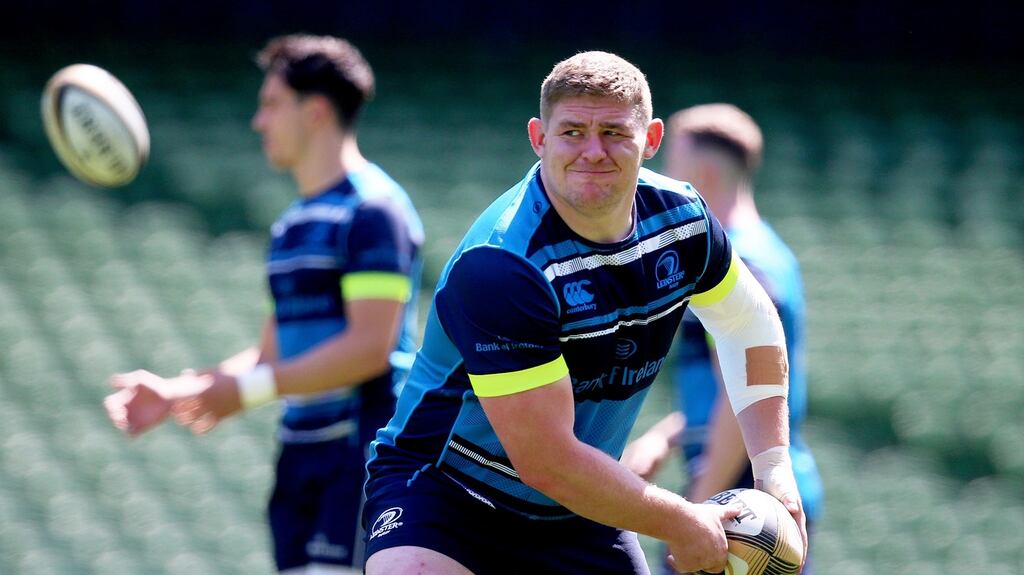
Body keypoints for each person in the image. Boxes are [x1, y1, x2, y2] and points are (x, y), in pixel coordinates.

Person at [361, 52, 806, 575]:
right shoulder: (503, 264)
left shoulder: (684, 221)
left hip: (579, 506)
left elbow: (747, 325)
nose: (593, 151)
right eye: (572, 131)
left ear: (653, 138)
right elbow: (546, 461)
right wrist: (683, 521)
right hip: (445, 492)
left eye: (615, 132)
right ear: (538, 138)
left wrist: (774, 466)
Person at [103, 35, 424, 575]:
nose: (259, 121)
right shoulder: (292, 225)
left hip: (361, 454)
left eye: (271, 104)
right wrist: (184, 391)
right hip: (301, 456)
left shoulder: (374, 210)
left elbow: (370, 348)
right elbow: (270, 353)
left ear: (316, 111)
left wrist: (246, 391)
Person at [621, 103, 824, 573]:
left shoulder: (740, 263)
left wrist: (695, 507)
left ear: (705, 173)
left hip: (742, 506)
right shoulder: (769, 253)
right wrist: (668, 434)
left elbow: (740, 397)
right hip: (750, 491)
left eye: (672, 164)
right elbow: (739, 375)